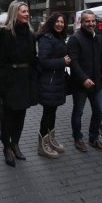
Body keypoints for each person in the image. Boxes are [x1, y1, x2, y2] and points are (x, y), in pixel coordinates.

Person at [0, 0, 38, 167]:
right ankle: (6, 146)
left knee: (20, 116)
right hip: (8, 82)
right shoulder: (4, 33)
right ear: (15, 13)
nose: (27, 14)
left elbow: (33, 59)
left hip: (24, 80)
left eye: (27, 11)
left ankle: (15, 143)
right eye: (24, 11)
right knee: (8, 117)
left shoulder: (30, 33)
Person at [67, 10, 102, 153]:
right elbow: (74, 61)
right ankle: (77, 138)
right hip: (80, 84)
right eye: (87, 21)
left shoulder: (99, 37)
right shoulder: (75, 38)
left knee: (99, 111)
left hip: (97, 82)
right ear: (81, 22)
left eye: (93, 21)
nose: (91, 24)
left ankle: (93, 139)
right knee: (78, 112)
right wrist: (84, 78)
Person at [37, 13, 71, 159]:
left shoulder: (59, 38)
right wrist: (62, 62)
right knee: (48, 113)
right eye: (57, 21)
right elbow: (43, 61)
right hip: (48, 82)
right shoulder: (46, 38)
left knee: (52, 112)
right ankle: (42, 145)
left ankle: (50, 140)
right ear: (52, 23)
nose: (60, 24)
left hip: (57, 81)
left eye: (62, 22)